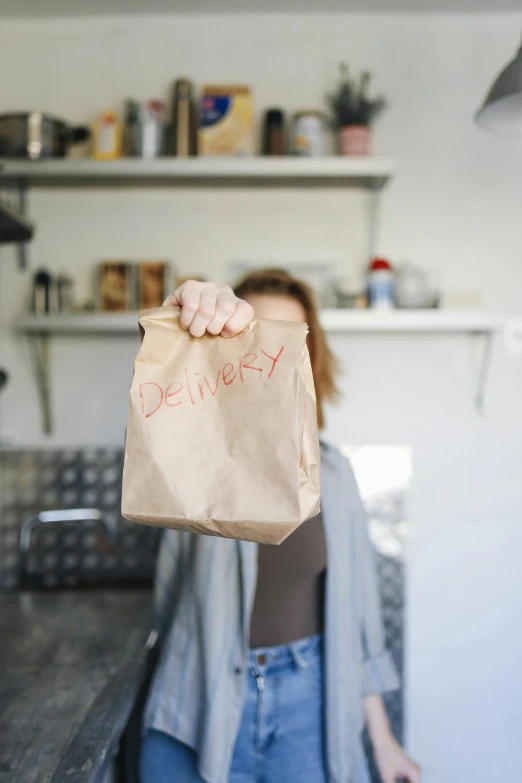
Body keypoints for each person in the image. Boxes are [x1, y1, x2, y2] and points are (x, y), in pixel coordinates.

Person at [140, 270, 421, 783]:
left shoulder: (334, 475)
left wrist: (382, 741)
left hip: (309, 706)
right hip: (195, 703)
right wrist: (187, 314)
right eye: (257, 334)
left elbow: (358, 621)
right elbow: (166, 400)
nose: (272, 353)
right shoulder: (196, 455)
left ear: (308, 358)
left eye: (288, 338)